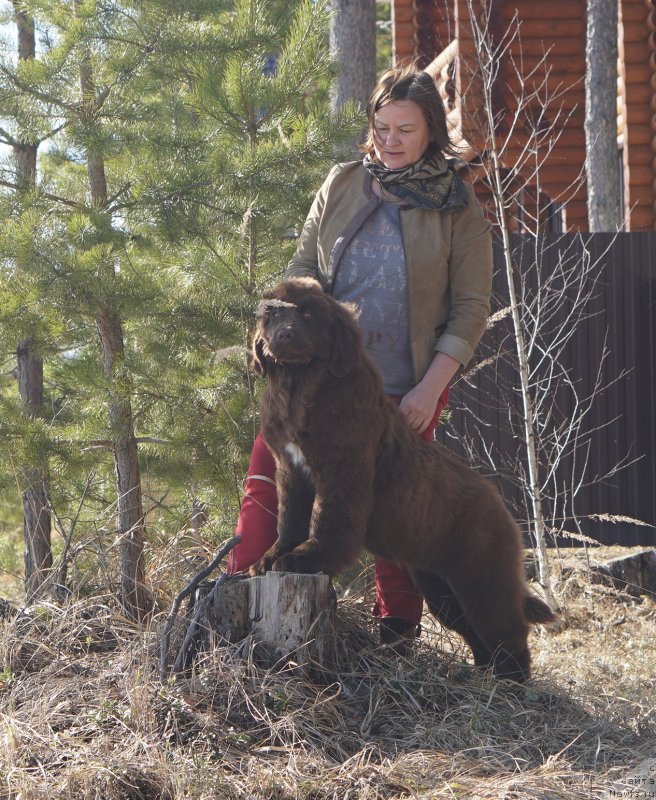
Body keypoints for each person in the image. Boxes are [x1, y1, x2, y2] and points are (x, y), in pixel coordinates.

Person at [227, 63, 493, 654]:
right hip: (311, 378)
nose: (391, 140)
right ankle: (239, 600)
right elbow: (303, 266)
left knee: (393, 510)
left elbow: (472, 308)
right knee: (269, 483)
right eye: (382, 126)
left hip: (404, 383)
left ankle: (396, 635)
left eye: (406, 128)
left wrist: (431, 388)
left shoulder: (456, 206)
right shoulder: (342, 183)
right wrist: (284, 326)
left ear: (431, 133)